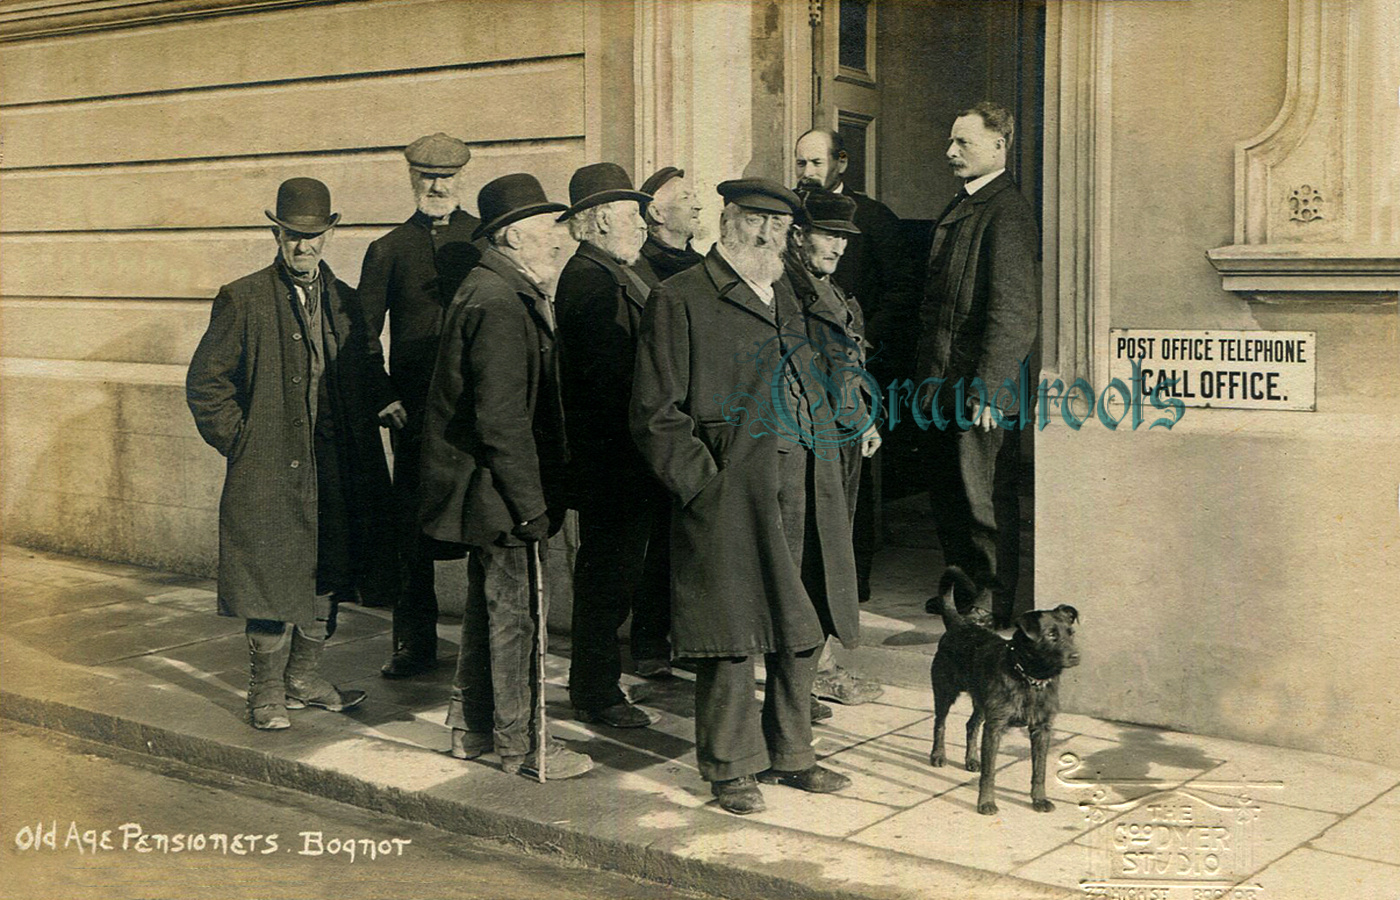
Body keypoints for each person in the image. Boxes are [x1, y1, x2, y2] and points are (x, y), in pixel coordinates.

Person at [631, 178, 860, 815]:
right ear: (727, 222)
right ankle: (731, 767)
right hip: (731, 492)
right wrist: (704, 484)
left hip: (806, 483)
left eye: (779, 227)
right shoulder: (679, 299)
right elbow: (656, 413)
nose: (767, 236)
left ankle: (793, 754)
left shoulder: (789, 292)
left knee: (803, 620)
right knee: (731, 631)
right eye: (755, 222)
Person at [187, 177, 398, 730]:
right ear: (275, 234)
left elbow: (366, 366)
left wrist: (385, 399)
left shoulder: (347, 300)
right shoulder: (244, 297)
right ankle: (265, 693)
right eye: (291, 236)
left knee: (328, 571)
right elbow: (207, 385)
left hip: (336, 466)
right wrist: (242, 441)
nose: (303, 247)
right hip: (270, 470)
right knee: (269, 579)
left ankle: (303, 679)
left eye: (313, 236)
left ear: (331, 233)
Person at [417, 173, 592, 780]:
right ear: (515, 236)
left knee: (489, 612)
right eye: (548, 231)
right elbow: (501, 421)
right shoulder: (497, 301)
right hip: (499, 493)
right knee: (517, 618)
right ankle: (523, 747)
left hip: (483, 491)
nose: (558, 242)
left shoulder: (492, 289)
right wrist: (530, 505)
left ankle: (471, 730)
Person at [356, 132, 482, 679]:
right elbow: (362, 336)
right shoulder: (388, 249)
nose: (438, 186)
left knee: (483, 520)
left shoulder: (483, 239)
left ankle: (484, 641)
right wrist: (382, 395)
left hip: (478, 410)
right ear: (412, 179)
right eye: (427, 177)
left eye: (447, 178)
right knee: (413, 526)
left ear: (461, 179)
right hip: (415, 412)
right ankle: (415, 641)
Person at [555, 163, 673, 727]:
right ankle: (595, 692)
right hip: (613, 463)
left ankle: (598, 684)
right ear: (599, 221)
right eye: (631, 216)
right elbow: (605, 383)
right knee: (607, 579)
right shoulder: (589, 280)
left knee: (615, 575)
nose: (643, 227)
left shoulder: (616, 272)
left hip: (625, 460)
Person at [916, 101, 1039, 629]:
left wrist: (989, 390)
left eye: (962, 142)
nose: (950, 152)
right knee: (950, 494)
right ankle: (965, 591)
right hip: (944, 384)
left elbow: (1013, 312)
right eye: (951, 141)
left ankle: (992, 600)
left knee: (984, 498)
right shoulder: (963, 204)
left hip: (979, 389)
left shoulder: (1006, 211)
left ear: (999, 146)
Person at [635, 167, 705, 285]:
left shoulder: (704, 266)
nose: (698, 206)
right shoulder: (636, 273)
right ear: (657, 214)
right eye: (685, 198)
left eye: (695, 197)